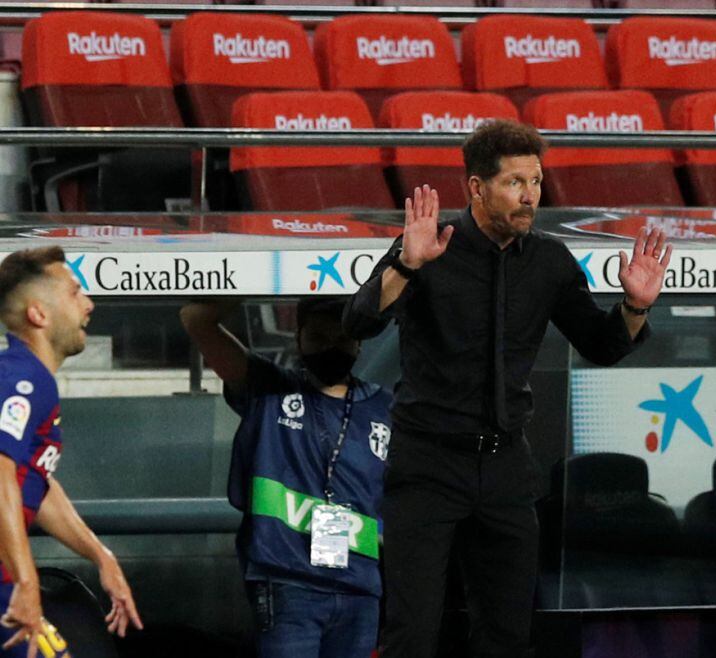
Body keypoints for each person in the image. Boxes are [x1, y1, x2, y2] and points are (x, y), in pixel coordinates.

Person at [343, 119, 672, 658]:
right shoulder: (427, 248)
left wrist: (634, 307)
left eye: (536, 182)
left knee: (508, 635)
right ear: (477, 187)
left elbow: (604, 345)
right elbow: (357, 324)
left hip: (505, 471)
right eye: (515, 182)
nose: (530, 196)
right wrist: (406, 262)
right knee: (413, 634)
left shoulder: (549, 262)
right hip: (427, 467)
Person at [179, 297, 391, 658]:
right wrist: (254, 271)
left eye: (341, 337)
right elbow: (195, 320)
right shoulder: (268, 390)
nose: (330, 347)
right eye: (318, 337)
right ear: (298, 337)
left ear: (359, 341)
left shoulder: (387, 409)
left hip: (360, 589)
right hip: (288, 584)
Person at [0, 247, 142, 657]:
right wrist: (27, 585)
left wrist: (101, 556)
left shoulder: (28, 378)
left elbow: (35, 483)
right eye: (74, 292)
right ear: (39, 315)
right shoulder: (22, 378)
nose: (89, 303)